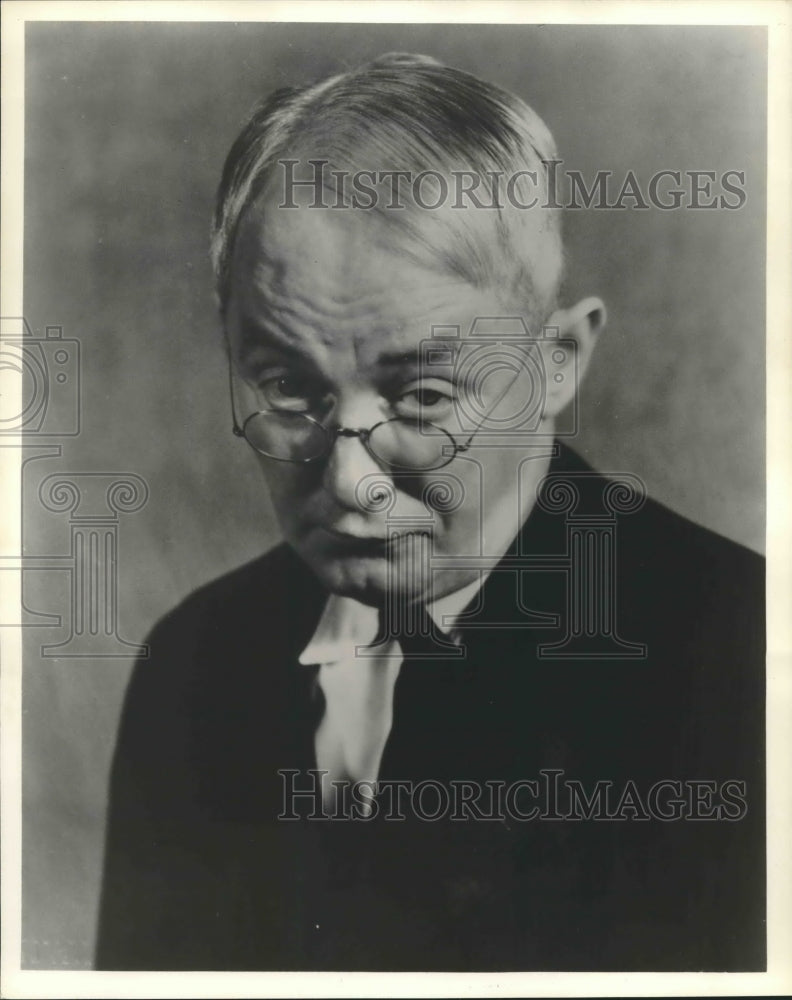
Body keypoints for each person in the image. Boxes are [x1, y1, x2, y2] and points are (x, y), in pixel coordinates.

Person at [96, 53, 764, 971]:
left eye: (420, 400)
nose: (349, 483)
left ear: (557, 361)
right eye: (288, 386)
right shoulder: (192, 666)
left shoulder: (747, 662)